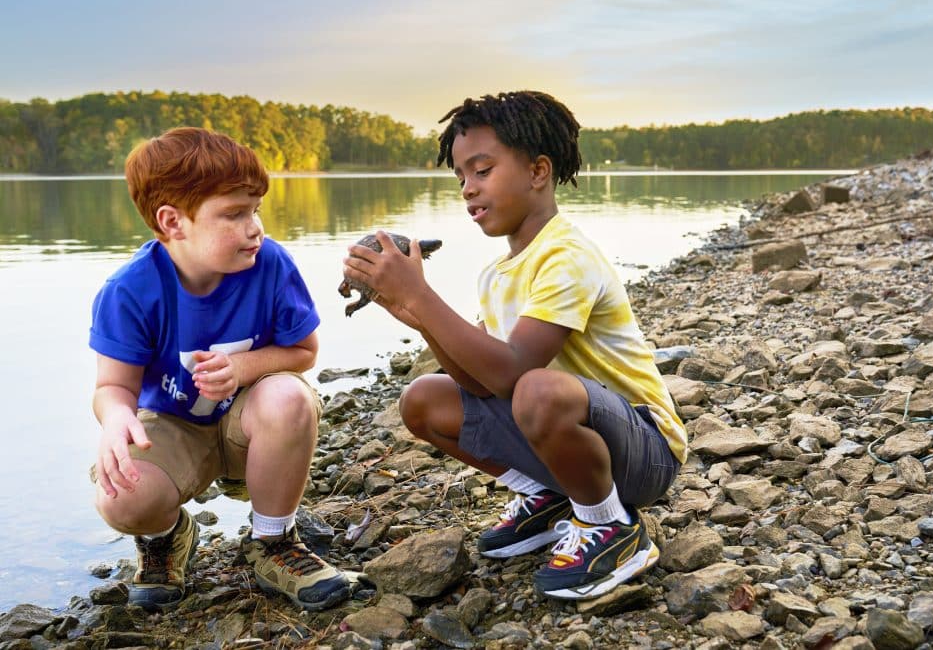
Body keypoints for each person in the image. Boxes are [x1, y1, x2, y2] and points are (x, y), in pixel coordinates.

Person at [342, 91, 688, 600]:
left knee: (537, 391)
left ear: (537, 171)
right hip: (577, 440)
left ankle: (611, 527)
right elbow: (480, 381)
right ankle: (552, 497)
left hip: (645, 451)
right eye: (460, 177)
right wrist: (412, 312)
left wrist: (421, 293)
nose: (467, 188)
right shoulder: (497, 274)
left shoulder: (567, 256)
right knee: (422, 399)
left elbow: (513, 373)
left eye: (482, 170)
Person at [89, 127, 350, 612]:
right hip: (174, 428)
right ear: (173, 222)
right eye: (234, 214)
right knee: (120, 496)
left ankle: (273, 541)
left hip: (248, 425)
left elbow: (304, 353)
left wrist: (244, 365)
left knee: (289, 396)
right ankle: (166, 537)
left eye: (256, 210)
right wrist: (115, 418)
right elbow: (112, 386)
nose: (255, 227)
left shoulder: (269, 264)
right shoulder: (129, 291)